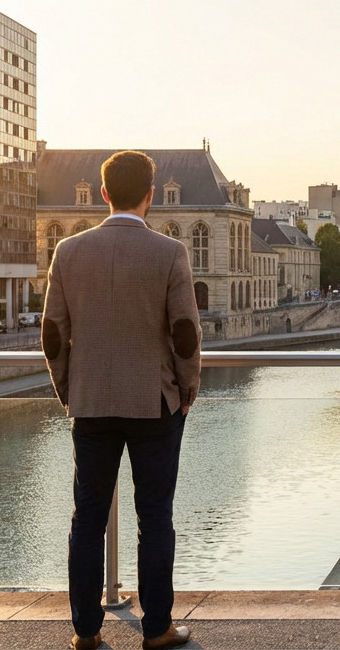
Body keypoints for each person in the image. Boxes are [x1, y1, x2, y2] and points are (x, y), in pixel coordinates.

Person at [44, 150, 199, 650]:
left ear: (104, 193)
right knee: (155, 516)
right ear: (151, 196)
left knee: (86, 516)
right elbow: (184, 334)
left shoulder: (67, 251)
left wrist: (68, 388)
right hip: (154, 400)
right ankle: (157, 629)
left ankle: (85, 630)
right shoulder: (169, 253)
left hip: (90, 399)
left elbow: (51, 333)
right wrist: (187, 391)